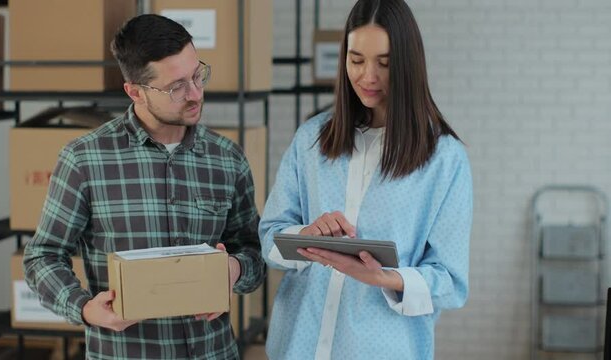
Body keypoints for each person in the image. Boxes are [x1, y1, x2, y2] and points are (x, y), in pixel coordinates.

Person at [24, 14, 265, 359]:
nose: (196, 93)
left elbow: (254, 250)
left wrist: (235, 269)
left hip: (214, 352)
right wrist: (84, 308)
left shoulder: (226, 158)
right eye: (176, 86)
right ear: (135, 91)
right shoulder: (85, 159)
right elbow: (42, 256)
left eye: (197, 75)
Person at [259, 0, 472, 359]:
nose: (367, 76)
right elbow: (270, 237)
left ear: (408, 65)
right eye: (356, 60)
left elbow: (450, 282)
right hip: (297, 344)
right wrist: (305, 236)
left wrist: (385, 278)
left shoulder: (444, 158)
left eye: (384, 64)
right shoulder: (311, 139)